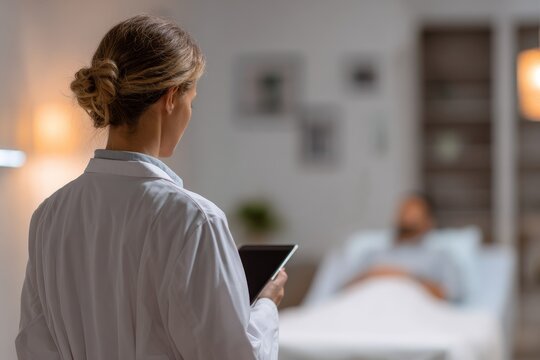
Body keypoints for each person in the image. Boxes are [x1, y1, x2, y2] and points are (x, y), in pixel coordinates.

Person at [15, 15, 287, 360]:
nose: (190, 112)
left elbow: (33, 347)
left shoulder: (49, 214)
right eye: (192, 100)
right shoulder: (195, 219)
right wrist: (265, 306)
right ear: (171, 98)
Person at [345, 193, 463, 302]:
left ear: (428, 222)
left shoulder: (439, 257)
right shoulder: (373, 254)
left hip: (413, 312)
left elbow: (452, 295)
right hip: (368, 309)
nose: (405, 218)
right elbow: (343, 290)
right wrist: (370, 276)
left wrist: (406, 278)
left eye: (413, 214)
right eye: (403, 212)